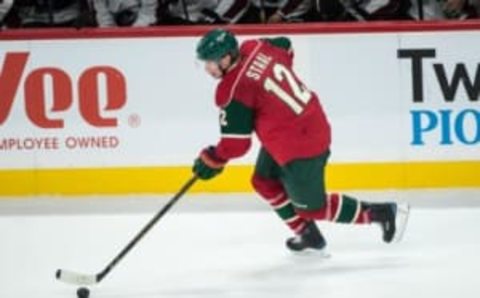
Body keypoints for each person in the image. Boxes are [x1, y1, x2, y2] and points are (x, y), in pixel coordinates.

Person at [192, 29, 410, 253]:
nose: (208, 68)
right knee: (263, 180)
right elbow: (285, 44)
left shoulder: (232, 89)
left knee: (313, 209)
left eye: (211, 62)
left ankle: (381, 213)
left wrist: (213, 159)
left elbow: (237, 145)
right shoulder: (255, 47)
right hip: (304, 122)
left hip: (299, 146)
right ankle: (308, 234)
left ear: (227, 57)